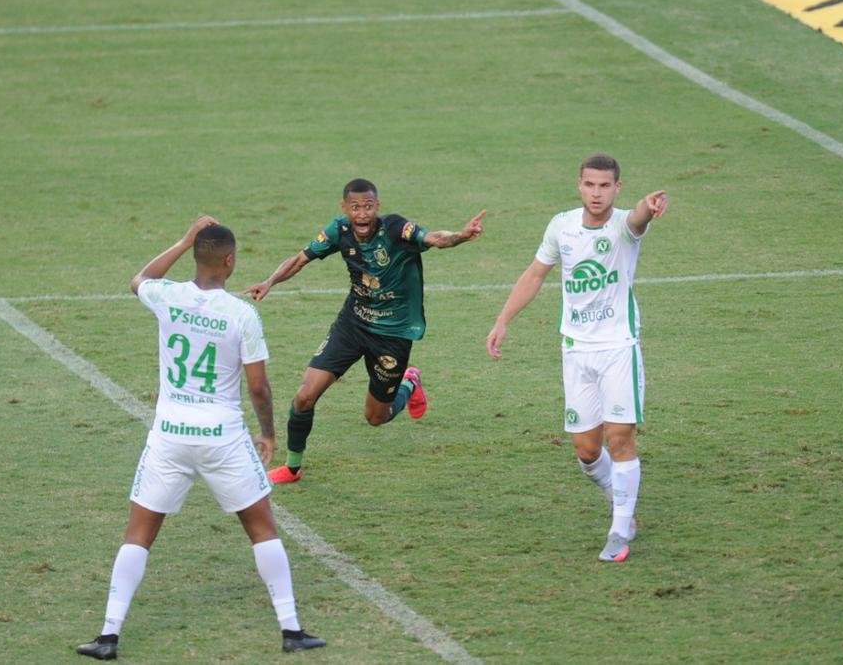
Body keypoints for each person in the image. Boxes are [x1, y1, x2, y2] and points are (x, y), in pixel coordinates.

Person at [76, 216, 324, 660]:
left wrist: (183, 238)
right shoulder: (241, 313)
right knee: (262, 529)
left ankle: (108, 635)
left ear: (196, 257)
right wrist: (267, 433)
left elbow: (140, 279)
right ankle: (291, 629)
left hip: (169, 437)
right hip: (223, 438)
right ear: (229, 261)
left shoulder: (167, 296)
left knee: (138, 536)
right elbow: (259, 388)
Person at [485, 154, 668, 562]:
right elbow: (535, 274)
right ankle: (616, 496)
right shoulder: (561, 226)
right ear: (579, 185)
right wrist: (503, 320)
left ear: (617, 188)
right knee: (587, 451)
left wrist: (648, 208)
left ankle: (621, 528)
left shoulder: (624, 226)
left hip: (618, 347)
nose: (597, 192)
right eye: (590, 184)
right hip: (576, 350)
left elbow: (639, 219)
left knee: (620, 438)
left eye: (605, 185)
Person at [246, 179, 486, 484]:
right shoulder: (339, 230)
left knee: (376, 418)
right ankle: (293, 468)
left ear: (378, 207)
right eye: (355, 207)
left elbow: (435, 238)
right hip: (353, 323)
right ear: (345, 208)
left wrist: (462, 236)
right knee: (304, 396)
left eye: (368, 206)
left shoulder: (398, 229)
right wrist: (270, 281)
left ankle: (410, 382)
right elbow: (300, 259)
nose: (362, 214)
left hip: (393, 334)